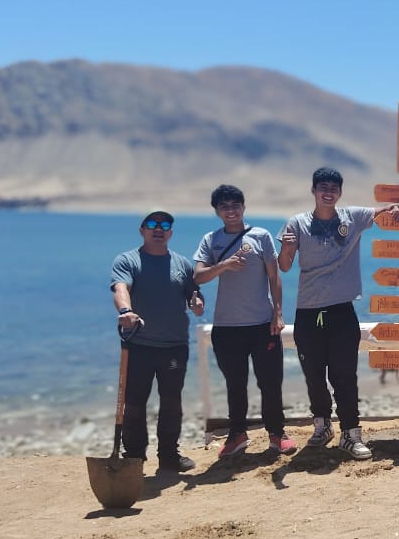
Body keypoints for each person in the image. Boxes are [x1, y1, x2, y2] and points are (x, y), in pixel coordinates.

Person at [278, 167, 399, 460]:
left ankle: (351, 433)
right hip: (309, 311)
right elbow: (284, 265)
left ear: (340, 192)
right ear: (313, 190)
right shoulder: (297, 223)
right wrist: (286, 248)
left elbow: (384, 211)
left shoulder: (352, 217)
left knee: (345, 375)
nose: (328, 192)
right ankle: (322, 425)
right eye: (322, 187)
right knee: (314, 375)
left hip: (341, 310)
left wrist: (396, 207)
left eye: (333, 188)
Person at [193, 184, 294, 458]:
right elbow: (198, 276)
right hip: (226, 327)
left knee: (270, 382)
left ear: (243, 207)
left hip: (262, 324)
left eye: (235, 205)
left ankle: (277, 433)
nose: (231, 210)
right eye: (224, 206)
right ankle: (237, 435)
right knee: (235, 384)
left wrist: (278, 312)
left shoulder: (260, 236)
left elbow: (274, 276)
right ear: (217, 211)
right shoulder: (211, 240)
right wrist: (224, 265)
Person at [110, 210, 205, 473]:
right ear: (142, 230)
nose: (158, 229)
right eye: (152, 224)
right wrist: (125, 311)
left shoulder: (182, 264)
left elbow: (194, 295)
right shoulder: (128, 260)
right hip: (138, 345)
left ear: (171, 233)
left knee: (172, 402)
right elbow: (121, 288)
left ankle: (169, 456)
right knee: (134, 403)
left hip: (174, 346)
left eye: (165, 225)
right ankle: (134, 457)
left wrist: (197, 303)